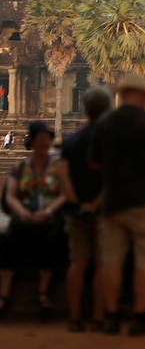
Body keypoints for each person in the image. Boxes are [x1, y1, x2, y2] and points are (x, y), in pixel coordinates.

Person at [89, 74, 145, 336]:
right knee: (144, 262)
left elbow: (94, 163)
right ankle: (141, 316)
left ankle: (111, 316)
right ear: (141, 96)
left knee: (112, 262)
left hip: (113, 199)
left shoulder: (106, 123)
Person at [58, 86, 113, 332]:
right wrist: (96, 204)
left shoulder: (72, 140)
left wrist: (78, 202)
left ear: (85, 109)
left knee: (77, 263)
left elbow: (63, 176)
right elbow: (113, 177)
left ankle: (74, 317)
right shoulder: (111, 140)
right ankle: (99, 316)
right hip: (103, 210)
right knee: (102, 264)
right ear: (107, 108)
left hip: (75, 209)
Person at [0, 121, 66, 317]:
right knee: (9, 239)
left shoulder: (57, 167)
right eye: (41, 139)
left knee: (53, 238)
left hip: (48, 217)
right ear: (32, 141)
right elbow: (10, 195)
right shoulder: (21, 167)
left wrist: (47, 212)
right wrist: (21, 212)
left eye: (48, 139)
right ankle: (4, 293)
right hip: (25, 216)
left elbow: (65, 194)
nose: (45, 143)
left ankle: (43, 292)